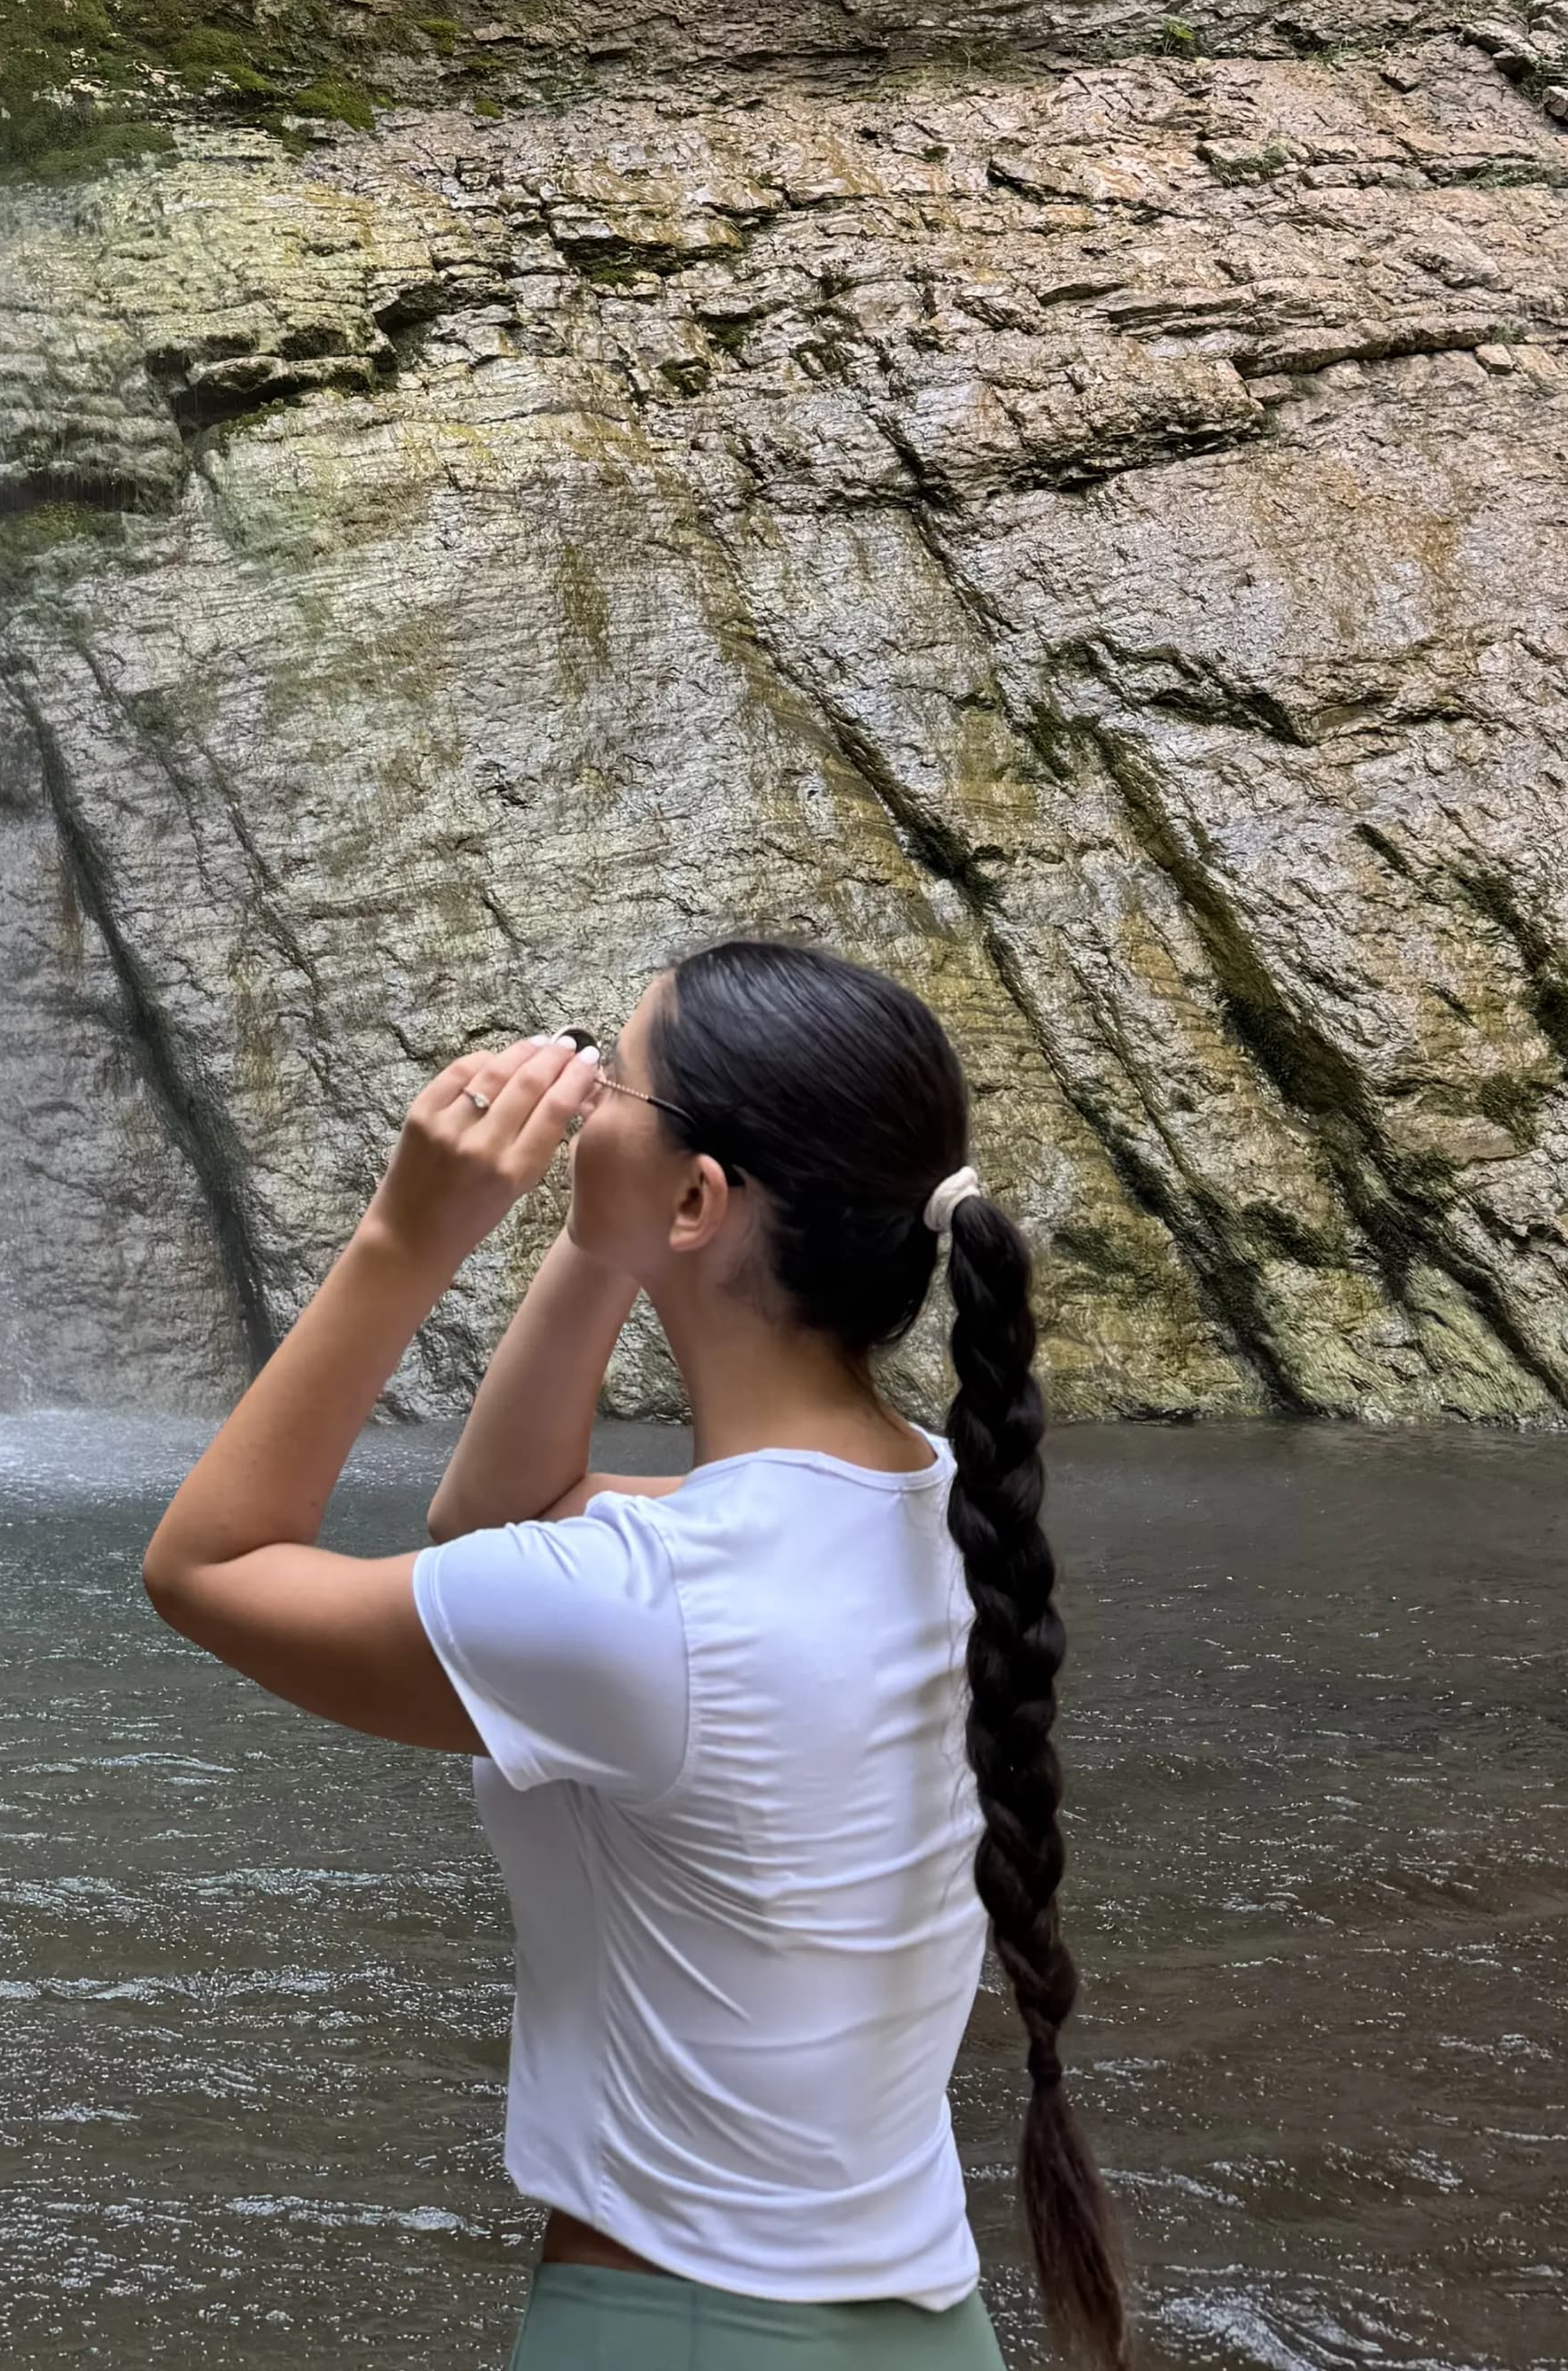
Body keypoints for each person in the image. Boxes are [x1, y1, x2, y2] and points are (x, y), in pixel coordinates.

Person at [140, 935, 1128, 2368]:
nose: (580, 1091)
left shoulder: (648, 1607)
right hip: (927, 2328)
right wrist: (617, 1233)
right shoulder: (942, 1508)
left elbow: (206, 1568)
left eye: (614, 1079)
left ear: (701, 1197)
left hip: (682, 2334)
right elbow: (501, 1519)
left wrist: (404, 1240)